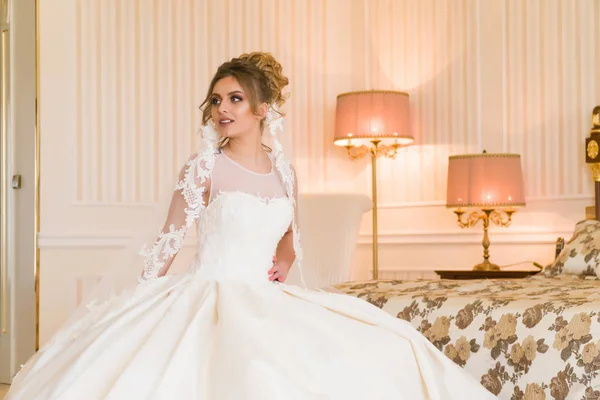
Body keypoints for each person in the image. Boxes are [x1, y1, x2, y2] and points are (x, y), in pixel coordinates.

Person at [5, 52, 495, 400]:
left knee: (383, 345)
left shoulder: (285, 171)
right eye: (216, 100)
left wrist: (278, 270)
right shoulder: (203, 168)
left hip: (265, 296)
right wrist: (136, 304)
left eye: (236, 99)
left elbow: (289, 240)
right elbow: (169, 242)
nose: (222, 109)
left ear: (263, 109)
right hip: (206, 291)